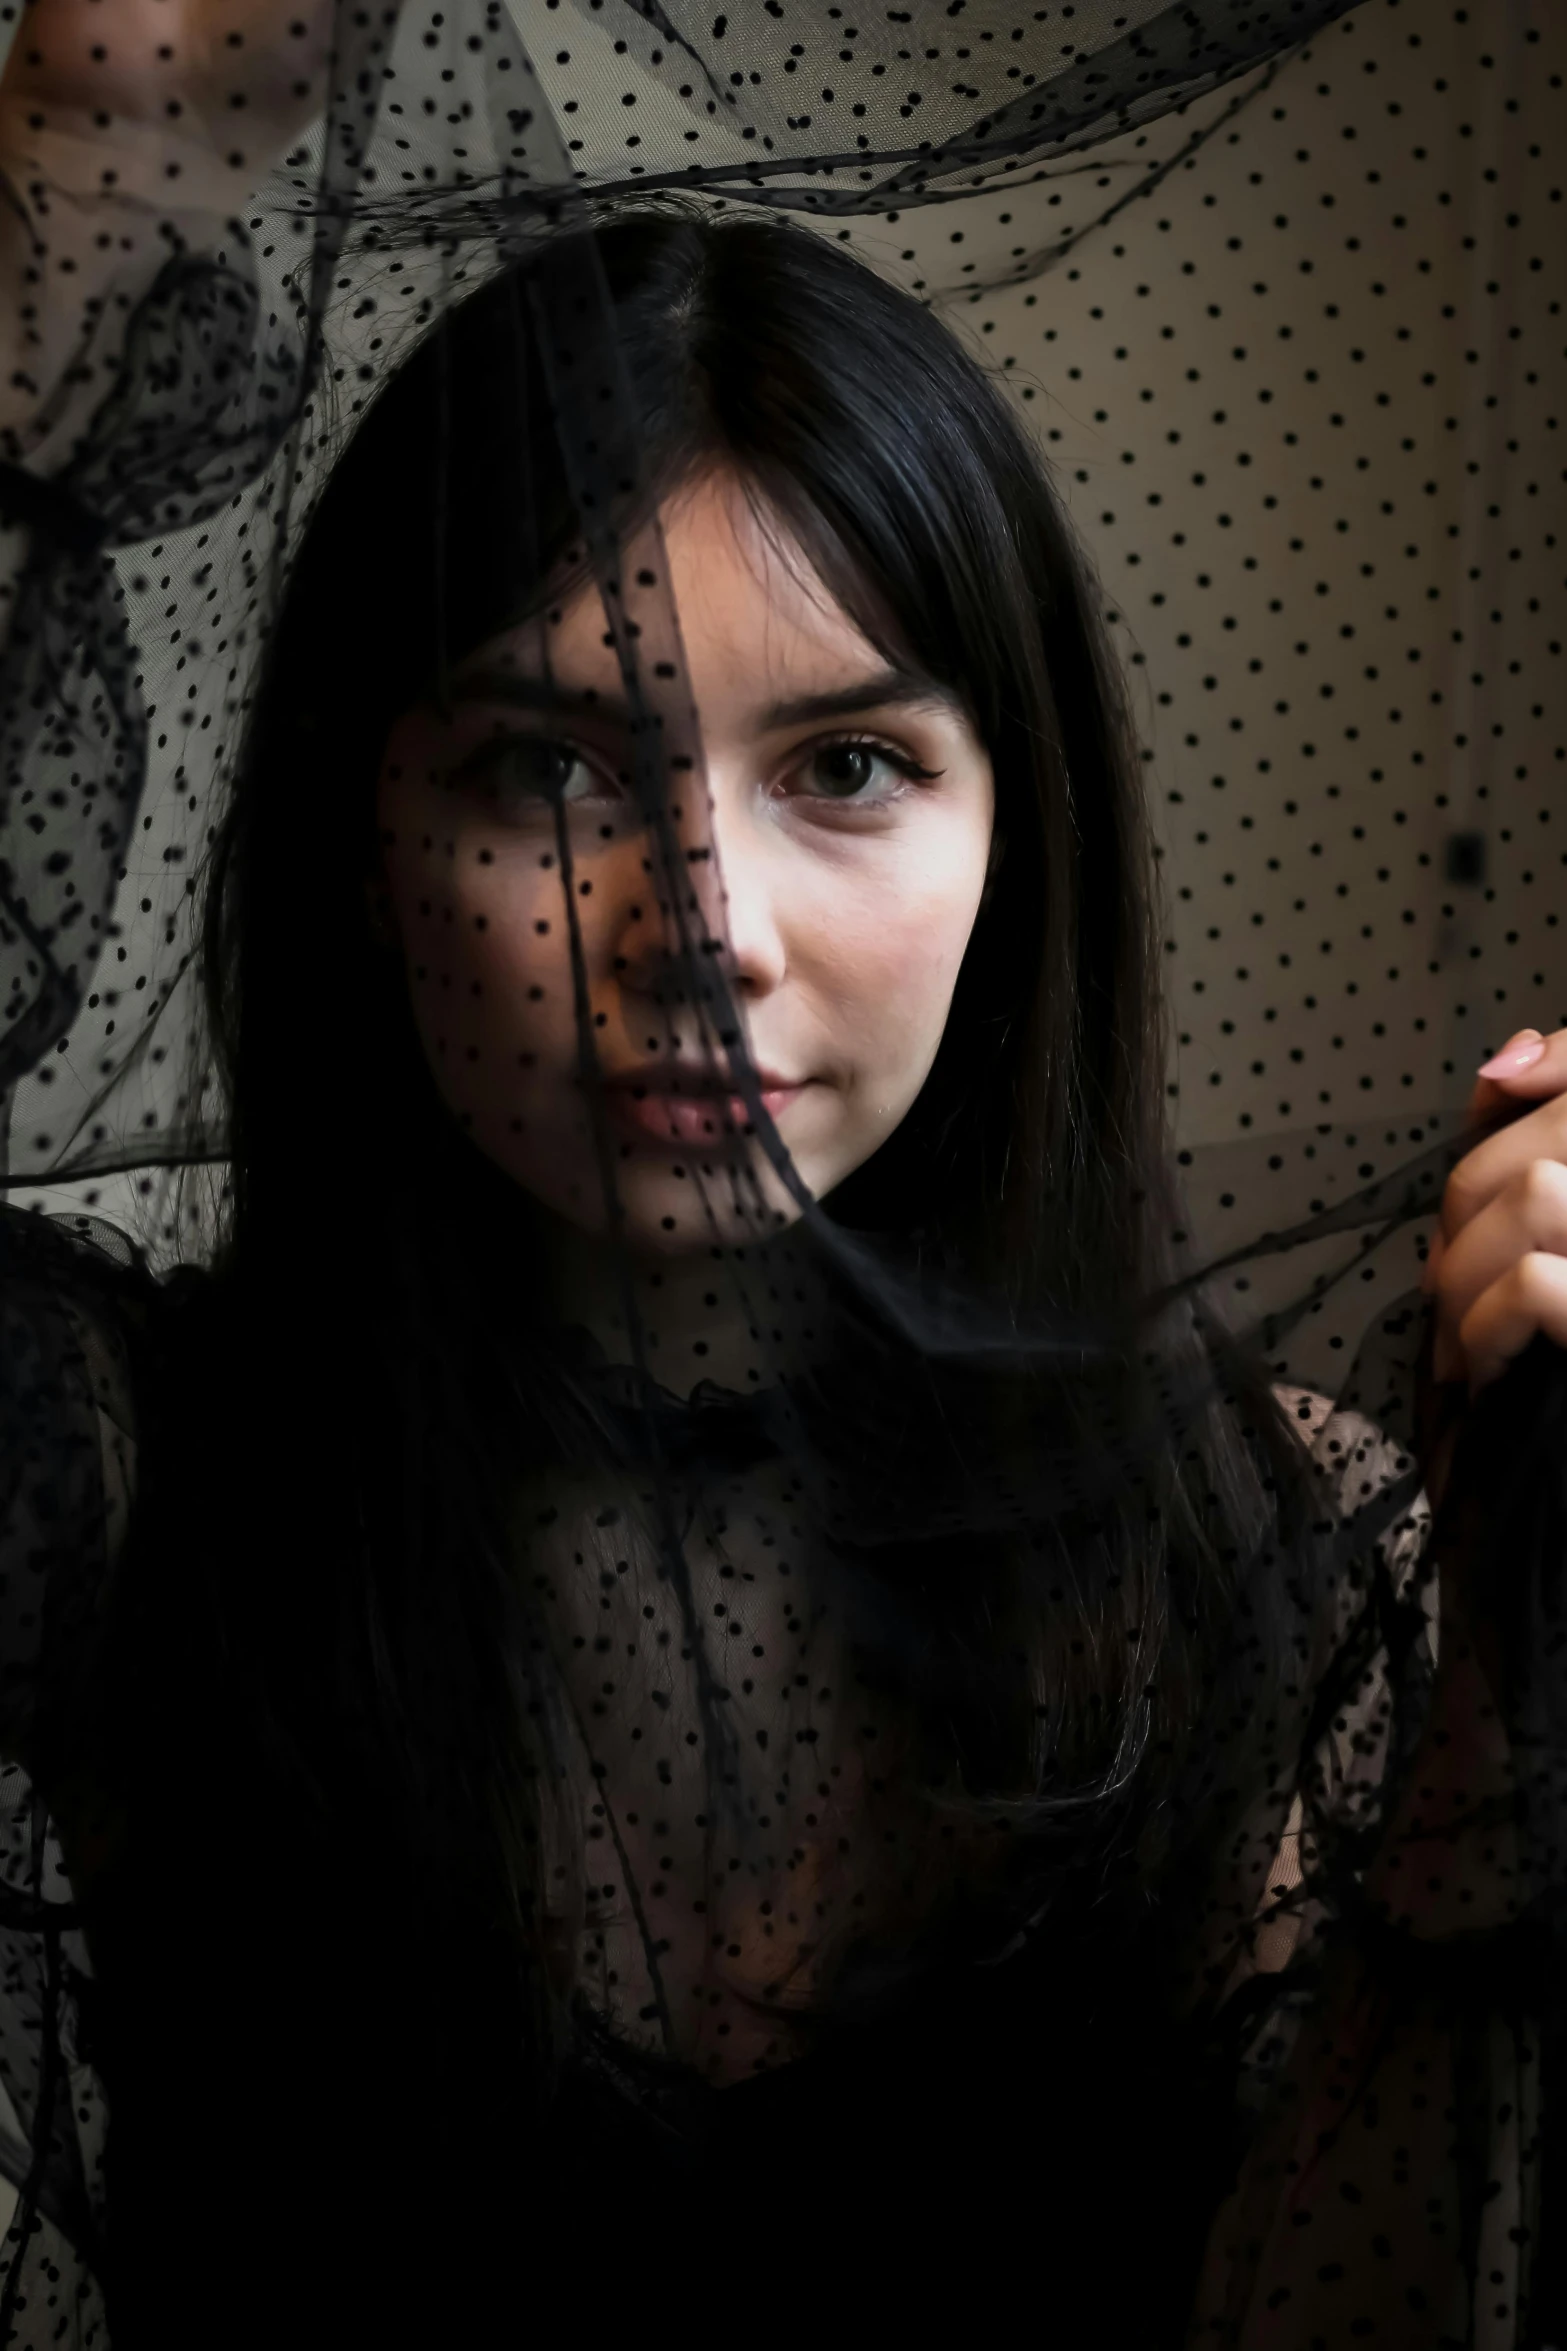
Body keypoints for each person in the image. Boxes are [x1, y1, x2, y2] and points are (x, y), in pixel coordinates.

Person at [1, 7, 1565, 2345]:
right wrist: (88, 172)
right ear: (363, 851)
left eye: (842, 763)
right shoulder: (144, 1491)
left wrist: (1506, 1703)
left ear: (1011, 838)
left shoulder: (1263, 1553)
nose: (700, 925)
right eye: (544, 772)